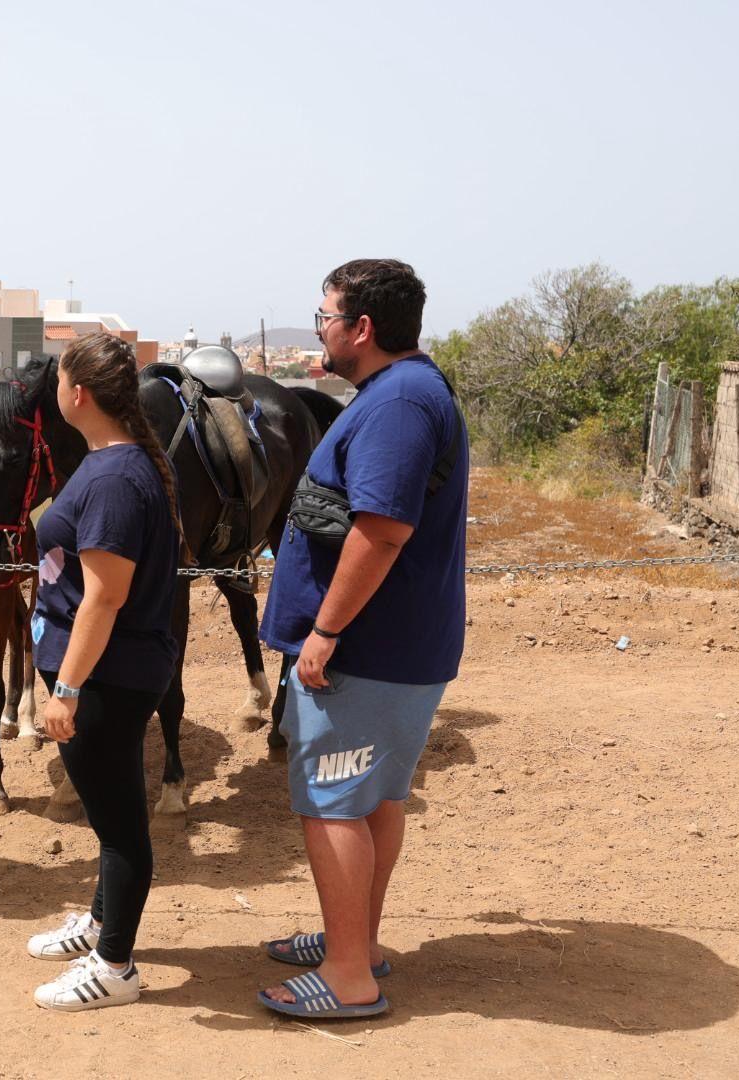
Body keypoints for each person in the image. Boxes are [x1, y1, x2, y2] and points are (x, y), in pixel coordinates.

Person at [256, 259, 469, 1019]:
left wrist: (324, 631)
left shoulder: (400, 403)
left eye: (325, 316)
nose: (322, 330)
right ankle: (358, 941)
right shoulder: (402, 393)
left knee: (332, 802)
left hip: (366, 652)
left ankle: (349, 978)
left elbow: (380, 532)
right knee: (373, 797)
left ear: (361, 327)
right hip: (395, 647)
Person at [23, 332, 183, 1012]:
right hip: (101, 672)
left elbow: (106, 595)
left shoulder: (116, 477)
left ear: (77, 394)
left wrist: (66, 689)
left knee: (119, 825)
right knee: (104, 812)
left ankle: (115, 966)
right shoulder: (108, 461)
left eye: (59, 380)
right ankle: (99, 925)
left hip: (105, 679)